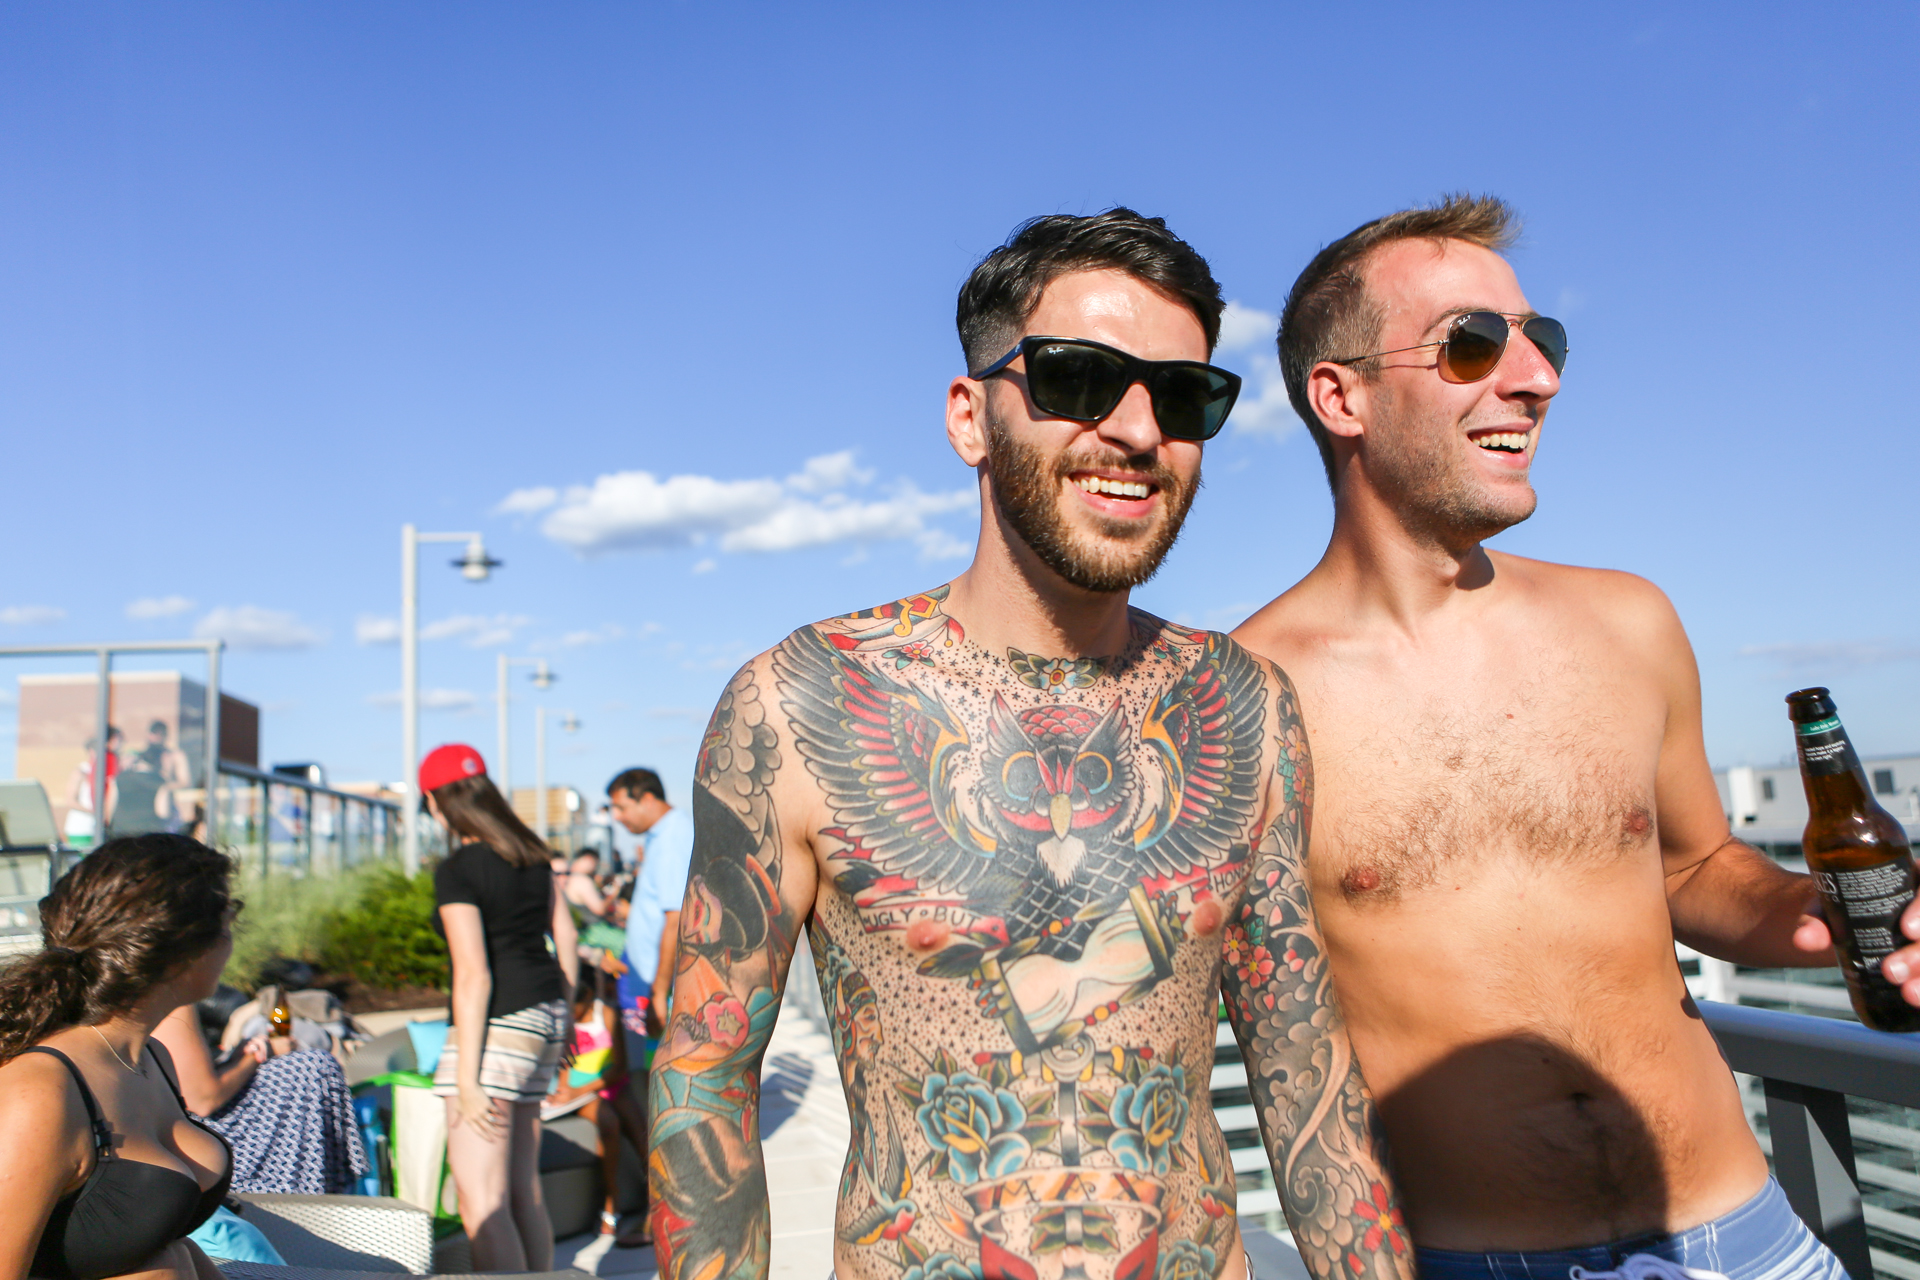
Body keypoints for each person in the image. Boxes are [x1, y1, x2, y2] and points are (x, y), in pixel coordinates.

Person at [648, 209, 1410, 1280]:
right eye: (1079, 378)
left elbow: (1305, 1076)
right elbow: (705, 1076)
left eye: (1183, 396)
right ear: (970, 416)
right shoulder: (802, 701)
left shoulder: (1243, 706)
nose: (1140, 433)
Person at [1233, 194, 1864, 1279]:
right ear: (1341, 395)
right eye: (1472, 344)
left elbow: (1698, 865)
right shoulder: (1243, 700)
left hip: (1749, 1238)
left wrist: (1813, 914)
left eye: (1541, 340)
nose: (1536, 377)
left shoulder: (1629, 623)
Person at [0, 833, 242, 1280]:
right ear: (179, 951)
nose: (231, 946)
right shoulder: (43, 1089)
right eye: (225, 928)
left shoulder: (153, 1057)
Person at [420, 743, 579, 1271]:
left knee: (482, 1203)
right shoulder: (533, 856)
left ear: (436, 803)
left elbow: (473, 973)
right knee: (522, 1191)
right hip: (544, 1017)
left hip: (497, 1030)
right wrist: (565, 1023)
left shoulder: (460, 870)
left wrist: (466, 1080)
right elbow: (566, 940)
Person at [151, 999, 370, 1195]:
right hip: (191, 1140)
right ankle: (303, 1193)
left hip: (170, 1130)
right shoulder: (169, 991)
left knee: (310, 1066)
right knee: (312, 1068)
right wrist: (260, 1054)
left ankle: (318, 1190)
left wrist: (237, 1058)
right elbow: (201, 1100)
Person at [610, 767, 693, 1044]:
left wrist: (659, 992)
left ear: (647, 799)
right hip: (649, 981)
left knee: (655, 1076)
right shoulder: (661, 836)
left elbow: (676, 919)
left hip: (659, 990)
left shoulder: (671, 839)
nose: (617, 817)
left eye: (621, 807)